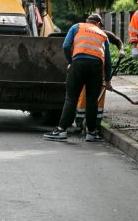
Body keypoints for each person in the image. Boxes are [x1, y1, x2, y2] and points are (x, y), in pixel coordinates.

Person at [44, 13, 112, 142]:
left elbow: (66, 46)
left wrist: (71, 61)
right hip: (96, 67)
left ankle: (61, 130)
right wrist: (108, 80)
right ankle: (91, 133)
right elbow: (108, 60)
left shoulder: (77, 27)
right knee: (92, 100)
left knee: (71, 98)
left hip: (78, 64)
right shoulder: (103, 35)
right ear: (98, 24)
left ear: (87, 21)